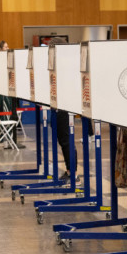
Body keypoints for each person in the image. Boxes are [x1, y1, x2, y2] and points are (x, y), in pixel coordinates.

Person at [48, 37, 78, 183]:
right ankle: (70, 170)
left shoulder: (66, 66)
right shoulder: (59, 65)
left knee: (66, 141)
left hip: (65, 107)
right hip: (58, 106)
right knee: (63, 140)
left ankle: (73, 173)